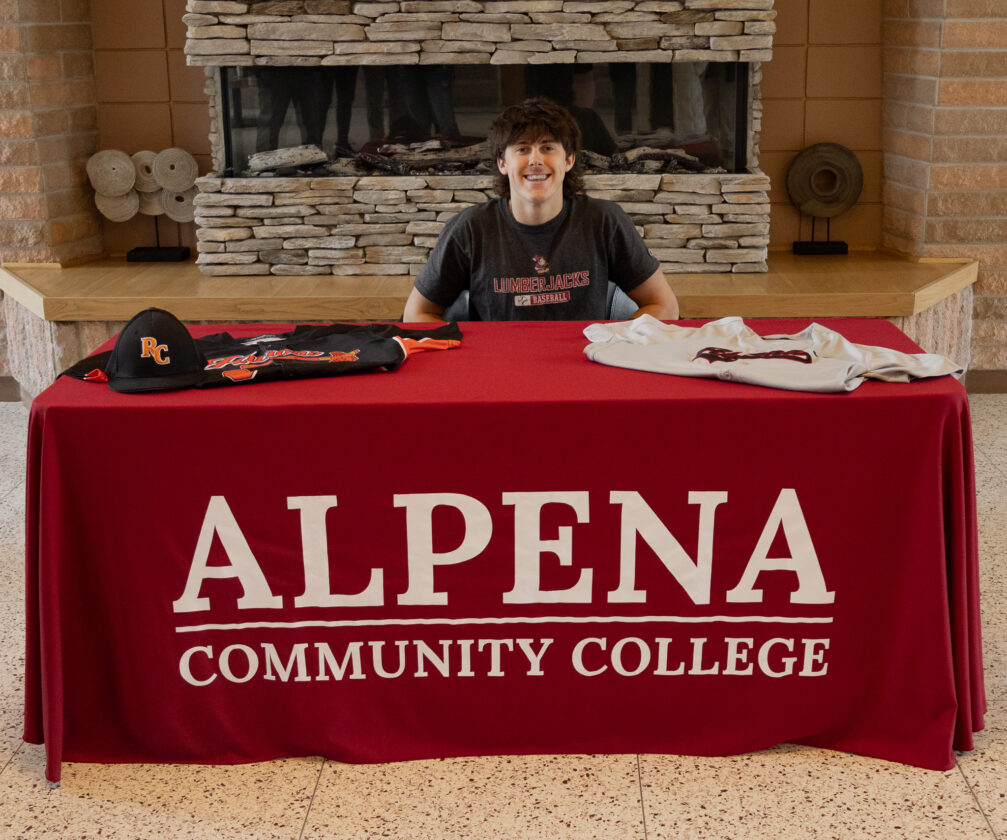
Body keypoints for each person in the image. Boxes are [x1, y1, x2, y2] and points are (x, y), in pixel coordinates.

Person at [403, 97, 679, 322]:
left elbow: (664, 305)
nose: (535, 160)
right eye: (522, 149)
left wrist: (614, 342)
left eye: (547, 148)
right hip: (496, 368)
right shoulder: (469, 229)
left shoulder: (605, 221)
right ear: (502, 163)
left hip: (585, 364)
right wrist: (465, 356)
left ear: (569, 160)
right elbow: (417, 313)